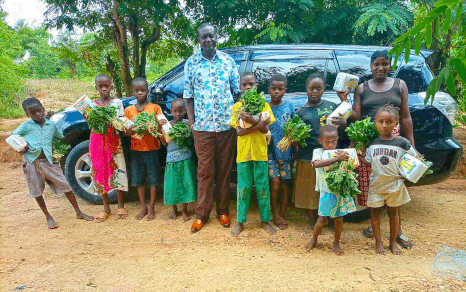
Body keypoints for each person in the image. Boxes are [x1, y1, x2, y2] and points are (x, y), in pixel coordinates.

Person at [338, 50, 415, 249]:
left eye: (385, 64)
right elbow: (356, 116)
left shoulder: (400, 85)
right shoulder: (362, 88)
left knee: (395, 185)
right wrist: (343, 101)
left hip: (393, 144)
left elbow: (405, 116)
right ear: (370, 67)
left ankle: (398, 233)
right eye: (376, 65)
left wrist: (411, 144)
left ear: (390, 65)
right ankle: (376, 227)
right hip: (369, 142)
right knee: (373, 186)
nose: (380, 68)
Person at [184, 23, 241, 232]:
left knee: (225, 171)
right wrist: (192, 124)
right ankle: (201, 214)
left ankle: (223, 211)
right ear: (198, 40)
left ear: (217, 37)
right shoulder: (191, 63)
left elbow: (238, 92)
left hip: (227, 127)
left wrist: (236, 119)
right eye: (203, 37)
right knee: (205, 172)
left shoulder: (228, 61)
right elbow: (188, 97)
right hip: (203, 128)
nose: (208, 40)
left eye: (211, 36)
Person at [13, 98, 94, 229]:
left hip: (48, 161)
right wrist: (22, 146)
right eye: (33, 113)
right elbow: (13, 136)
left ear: (43, 109)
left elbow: (61, 137)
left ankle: (78, 212)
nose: (37, 114)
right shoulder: (26, 126)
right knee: (37, 190)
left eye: (39, 110)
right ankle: (48, 216)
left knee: (66, 185)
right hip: (31, 162)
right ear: (27, 114)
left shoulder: (51, 125)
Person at [358, 104, 416, 255]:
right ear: (375, 123)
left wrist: (408, 173)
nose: (384, 125)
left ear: (396, 124)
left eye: (389, 122)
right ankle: (378, 242)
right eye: (381, 122)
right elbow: (369, 162)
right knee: (375, 213)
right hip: (376, 185)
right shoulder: (372, 143)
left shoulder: (402, 143)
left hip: (394, 186)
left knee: (393, 213)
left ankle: (392, 242)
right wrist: (358, 156)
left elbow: (415, 159)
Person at [293, 73, 347, 227]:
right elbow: (297, 140)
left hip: (331, 154)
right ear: (306, 89)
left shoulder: (331, 106)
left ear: (324, 89)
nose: (315, 92)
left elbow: (342, 131)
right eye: (311, 88)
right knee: (311, 190)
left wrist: (343, 123)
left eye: (319, 88)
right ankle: (312, 218)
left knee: (329, 188)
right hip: (308, 156)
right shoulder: (300, 113)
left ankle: (329, 217)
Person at [230, 72, 276, 236]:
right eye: (244, 84)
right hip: (243, 154)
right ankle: (240, 221)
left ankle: (265, 220)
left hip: (260, 153)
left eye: (251, 84)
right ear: (240, 87)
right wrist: (256, 123)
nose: (248, 87)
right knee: (243, 187)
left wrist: (252, 121)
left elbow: (266, 129)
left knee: (263, 187)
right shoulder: (237, 107)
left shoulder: (264, 105)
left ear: (257, 86)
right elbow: (240, 133)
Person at [305, 125, 357, 255]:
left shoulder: (339, 152)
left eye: (333, 141)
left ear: (337, 140)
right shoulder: (318, 152)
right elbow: (316, 164)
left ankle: (336, 243)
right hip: (326, 191)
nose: (330, 144)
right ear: (320, 141)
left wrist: (348, 156)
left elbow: (350, 166)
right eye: (326, 141)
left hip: (340, 191)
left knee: (339, 218)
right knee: (322, 218)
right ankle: (314, 239)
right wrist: (336, 159)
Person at [87, 74, 128, 222]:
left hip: (112, 140)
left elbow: (121, 121)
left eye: (107, 85)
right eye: (100, 86)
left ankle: (120, 204)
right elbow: (90, 124)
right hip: (97, 140)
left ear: (111, 86)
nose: (104, 89)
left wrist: (115, 123)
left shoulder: (116, 103)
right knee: (99, 170)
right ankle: (105, 207)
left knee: (117, 169)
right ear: (96, 87)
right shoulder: (91, 105)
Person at [124, 77, 166, 220]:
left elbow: (161, 126)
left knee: (154, 179)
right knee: (138, 180)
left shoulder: (155, 108)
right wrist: (130, 131)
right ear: (133, 92)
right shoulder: (129, 110)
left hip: (153, 149)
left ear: (148, 91)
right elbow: (126, 131)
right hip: (136, 149)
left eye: (143, 90)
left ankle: (152, 207)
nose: (140, 93)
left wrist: (155, 126)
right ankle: (143, 207)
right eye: (137, 90)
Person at [267, 74, 295, 230]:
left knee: (285, 183)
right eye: (273, 88)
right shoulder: (265, 107)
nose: (276, 92)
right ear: (269, 89)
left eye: (280, 88)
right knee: (275, 182)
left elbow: (293, 127)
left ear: (285, 90)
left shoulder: (289, 106)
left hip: (285, 152)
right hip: (270, 152)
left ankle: (282, 212)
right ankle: (274, 212)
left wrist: (295, 147)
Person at [163, 98, 197, 222]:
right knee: (173, 185)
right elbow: (164, 142)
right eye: (175, 111)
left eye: (181, 111)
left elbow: (192, 139)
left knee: (185, 184)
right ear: (171, 111)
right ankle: (174, 209)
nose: (178, 114)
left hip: (185, 159)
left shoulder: (188, 124)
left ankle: (184, 210)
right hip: (171, 160)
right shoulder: (168, 125)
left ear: (185, 111)